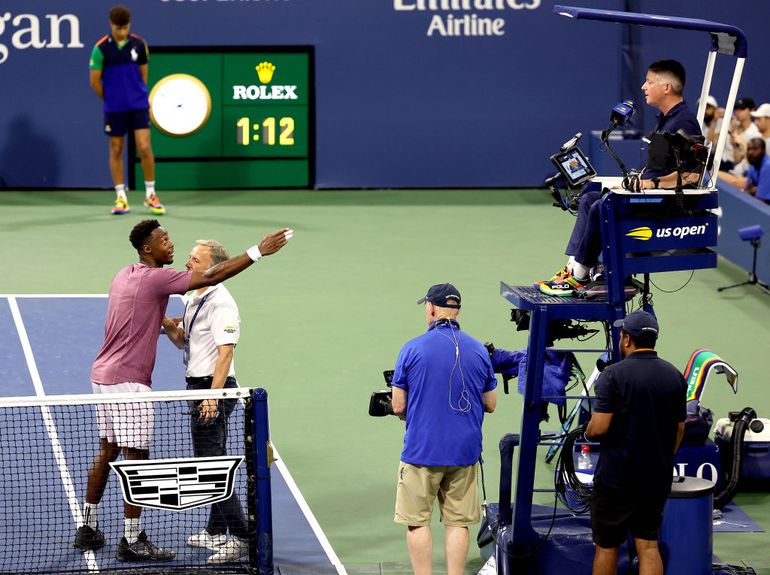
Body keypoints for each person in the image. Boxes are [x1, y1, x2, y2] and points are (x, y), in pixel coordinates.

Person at [73, 219, 292, 562]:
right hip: (130, 383)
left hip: (101, 376)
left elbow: (152, 315)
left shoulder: (124, 274)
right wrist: (257, 251)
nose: (172, 247)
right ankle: (132, 540)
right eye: (165, 241)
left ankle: (88, 524)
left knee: (108, 448)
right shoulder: (162, 279)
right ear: (148, 249)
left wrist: (163, 321)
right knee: (137, 460)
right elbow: (210, 276)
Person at [539, 60, 702, 296]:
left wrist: (649, 184)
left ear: (667, 87)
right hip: (648, 196)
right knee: (589, 197)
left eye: (649, 81)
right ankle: (574, 267)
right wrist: (632, 181)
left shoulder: (684, 121)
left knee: (600, 205)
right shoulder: (665, 119)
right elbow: (661, 167)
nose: (644, 86)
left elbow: (693, 175)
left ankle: (579, 274)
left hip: (663, 204)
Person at [391, 284, 497, 575]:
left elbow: (398, 405)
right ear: (457, 310)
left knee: (417, 522)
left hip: (421, 451)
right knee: (458, 523)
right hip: (464, 453)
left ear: (432, 308)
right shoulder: (479, 351)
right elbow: (490, 403)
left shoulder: (411, 349)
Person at [161, 240, 250, 565]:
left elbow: (226, 353)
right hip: (197, 386)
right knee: (213, 461)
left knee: (210, 465)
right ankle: (215, 530)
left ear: (212, 267)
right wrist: (171, 329)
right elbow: (186, 342)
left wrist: (212, 396)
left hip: (214, 389)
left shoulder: (222, 302)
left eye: (194, 259)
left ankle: (241, 537)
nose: (187, 262)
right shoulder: (193, 296)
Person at [585, 311, 686, 575]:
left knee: (607, 546)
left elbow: (598, 429)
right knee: (648, 544)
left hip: (617, 479)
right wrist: (663, 458)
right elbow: (679, 427)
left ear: (627, 339)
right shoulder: (674, 376)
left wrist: (586, 432)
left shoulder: (613, 375)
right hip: (656, 478)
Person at [89, 5, 165, 216]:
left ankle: (151, 195)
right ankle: (121, 197)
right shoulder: (100, 48)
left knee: (145, 147)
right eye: (118, 28)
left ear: (129, 25)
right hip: (114, 109)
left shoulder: (139, 44)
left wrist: (134, 95)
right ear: (111, 24)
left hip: (138, 106)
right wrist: (113, 98)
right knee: (116, 149)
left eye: (125, 27)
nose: (122, 32)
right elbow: (94, 82)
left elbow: (143, 76)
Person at [720, 138, 770, 205]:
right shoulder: (753, 164)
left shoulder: (767, 167)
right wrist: (754, 189)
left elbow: (760, 200)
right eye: (749, 149)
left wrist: (754, 189)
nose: (751, 152)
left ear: (763, 150)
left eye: (755, 149)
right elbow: (747, 190)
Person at [720, 97, 760, 174]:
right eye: (736, 109)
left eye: (742, 109)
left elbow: (741, 161)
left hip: (735, 168)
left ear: (752, 111)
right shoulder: (731, 125)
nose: (737, 112)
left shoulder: (755, 133)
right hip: (720, 160)